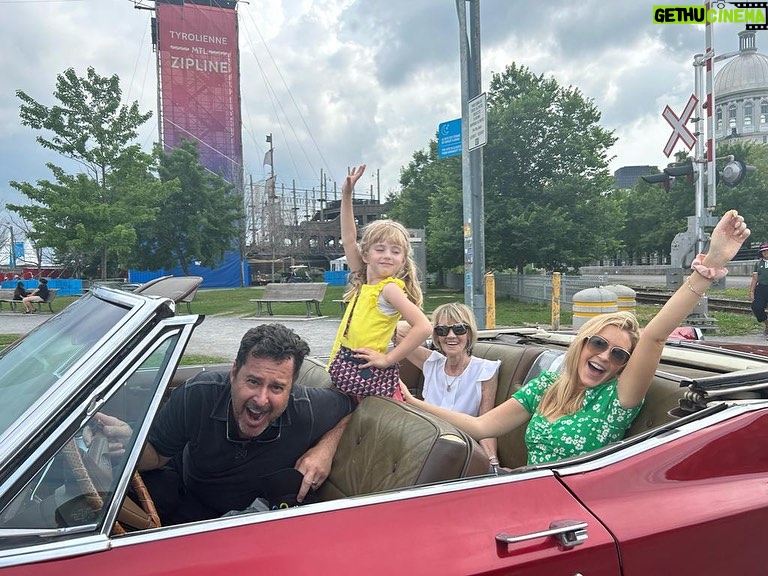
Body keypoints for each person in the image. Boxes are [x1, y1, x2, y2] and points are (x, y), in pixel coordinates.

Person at [400, 210, 750, 466]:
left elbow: (655, 337)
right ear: (583, 344)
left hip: (576, 504)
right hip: (527, 484)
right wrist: (411, 402)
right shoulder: (550, 384)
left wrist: (710, 267)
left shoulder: (619, 398)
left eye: (618, 355)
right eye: (598, 344)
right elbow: (481, 425)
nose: (604, 357)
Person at [98, 323, 355, 524]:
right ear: (234, 373)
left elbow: (356, 406)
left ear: (291, 388)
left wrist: (326, 448)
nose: (261, 399)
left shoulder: (308, 407)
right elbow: (155, 457)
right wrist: (130, 441)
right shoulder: (197, 394)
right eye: (253, 381)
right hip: (186, 496)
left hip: (244, 524)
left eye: (277, 387)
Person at [328, 164, 432, 400]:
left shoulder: (389, 289)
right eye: (380, 249)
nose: (387, 255)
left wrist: (387, 359)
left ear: (403, 260)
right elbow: (348, 239)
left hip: (369, 379)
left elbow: (423, 327)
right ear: (366, 255)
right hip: (349, 371)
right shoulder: (365, 280)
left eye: (395, 251)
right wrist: (346, 195)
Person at [395, 302, 501, 467]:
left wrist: (493, 463)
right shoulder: (431, 363)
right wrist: (432, 326)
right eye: (443, 330)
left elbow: (487, 425)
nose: (451, 335)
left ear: (470, 333)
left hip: (459, 450)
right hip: (423, 443)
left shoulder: (485, 370)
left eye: (459, 329)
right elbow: (396, 331)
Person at [750, 241, 768, 337]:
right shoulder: (758, 264)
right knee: (756, 307)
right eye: (763, 251)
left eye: (767, 251)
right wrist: (752, 292)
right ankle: (767, 324)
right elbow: (754, 279)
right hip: (761, 288)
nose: (765, 253)